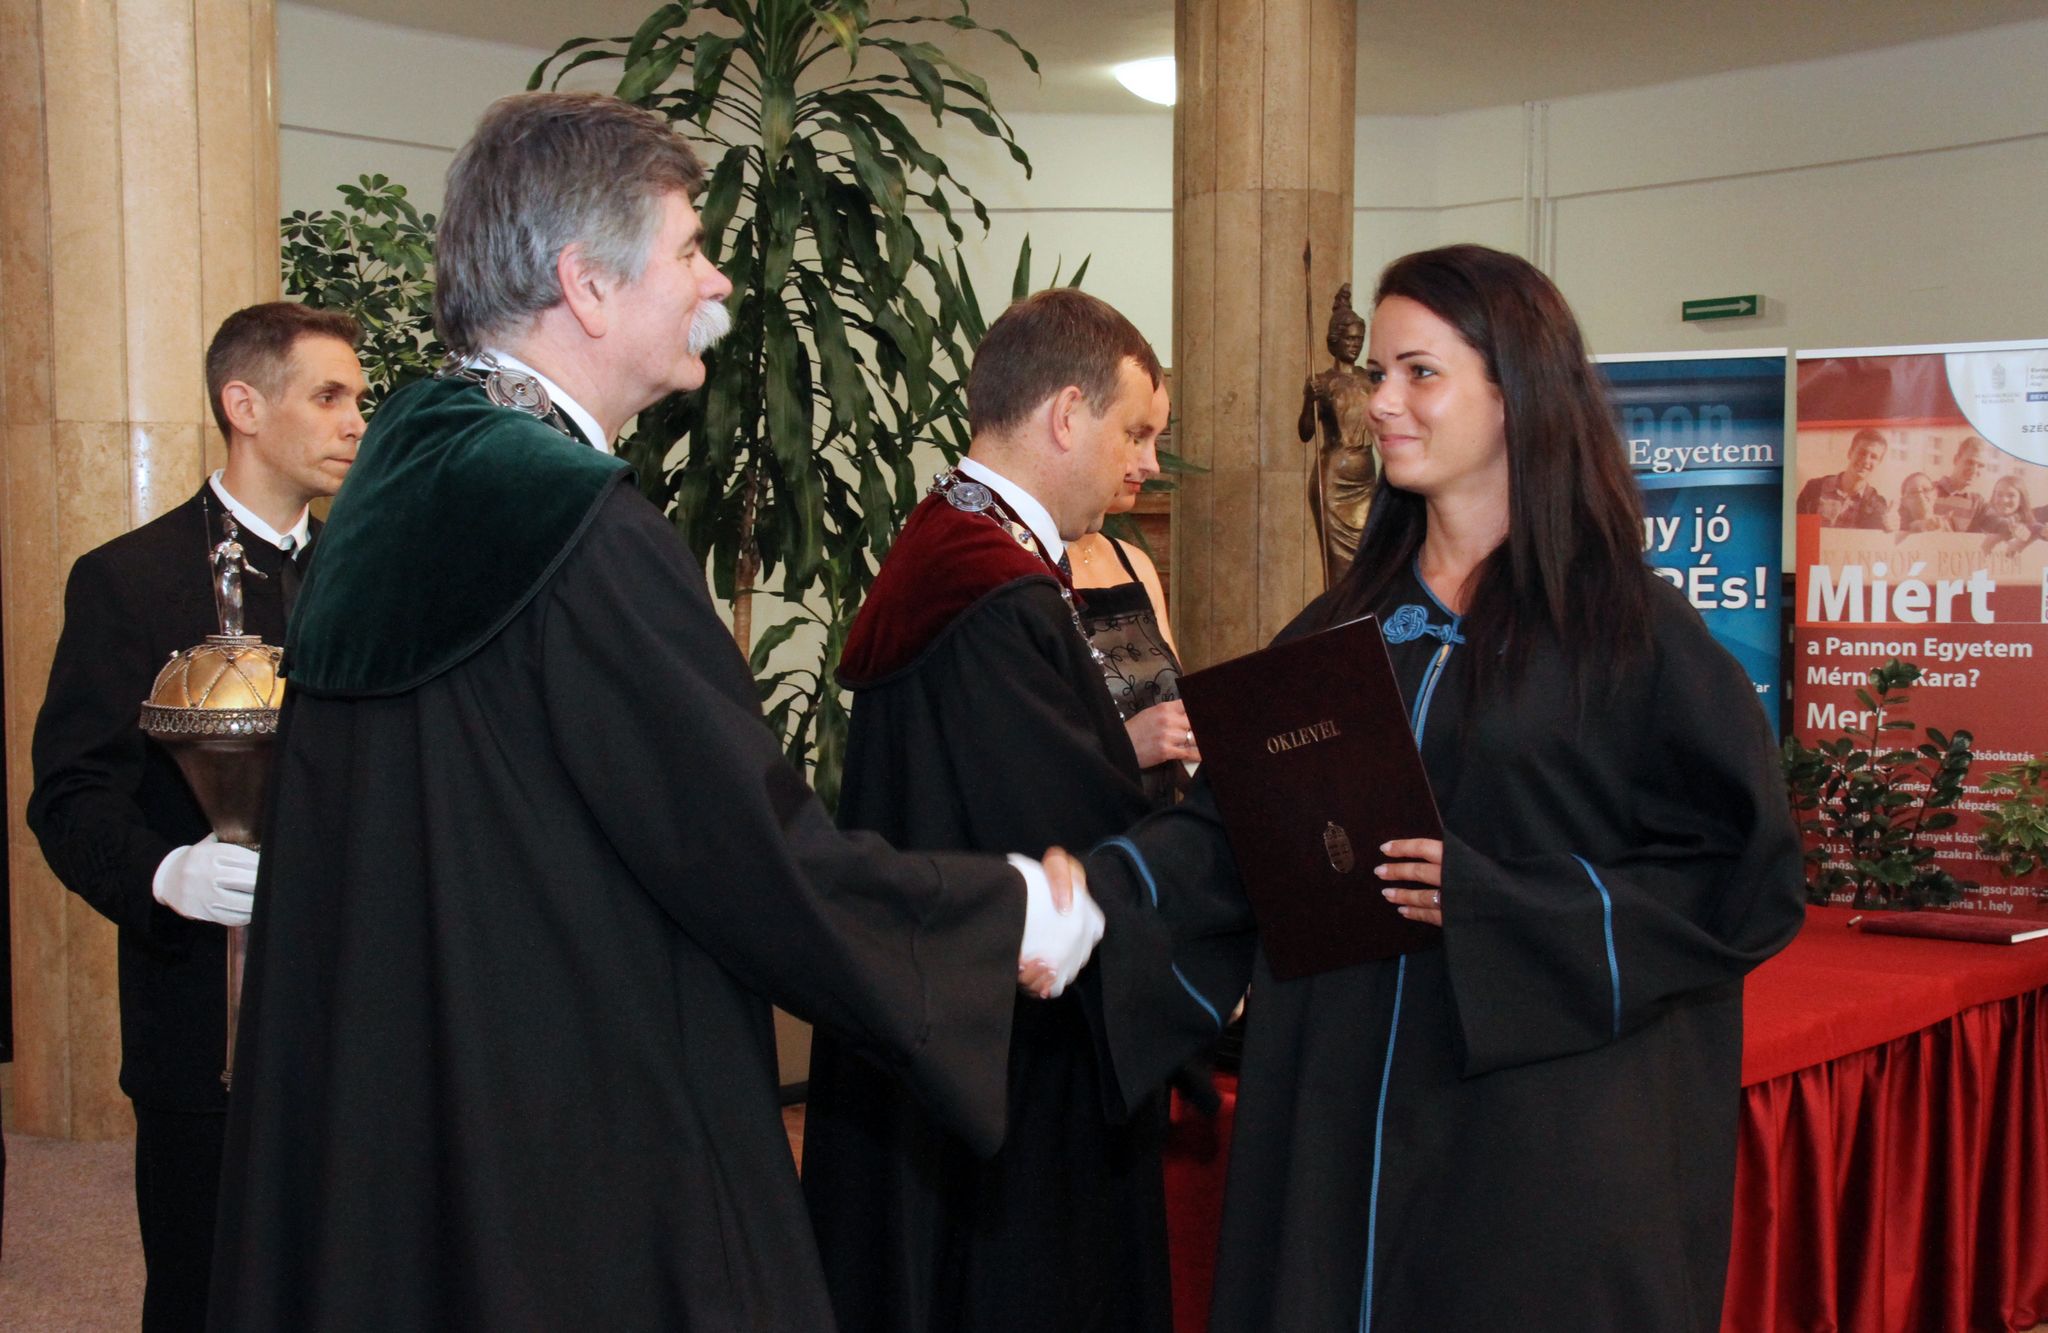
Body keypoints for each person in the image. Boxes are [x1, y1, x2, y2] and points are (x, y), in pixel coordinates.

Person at [207, 92, 1106, 1331]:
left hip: (407, 1100)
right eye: (687, 247)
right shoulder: (574, 525)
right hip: (570, 1125)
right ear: (585, 285)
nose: (715, 280)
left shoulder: (397, 475)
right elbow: (742, 845)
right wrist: (1004, 915)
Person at [1089, 244, 1806, 1331]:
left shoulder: (1628, 635)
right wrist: (1080, 895)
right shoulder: (1338, 629)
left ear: (1516, 391)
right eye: (1379, 373)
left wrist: (1502, 904)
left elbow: (1740, 879)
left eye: (1418, 373)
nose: (1380, 403)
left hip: (1532, 1147)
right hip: (1338, 1128)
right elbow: (1230, 833)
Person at [805, 290, 1252, 1333]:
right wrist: (1234, 834)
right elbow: (1073, 839)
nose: (1146, 463)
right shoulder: (993, 592)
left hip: (946, 1017)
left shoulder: (950, 542)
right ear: (1065, 415)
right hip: (1012, 1059)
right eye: (1134, 432)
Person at [27, 302, 368, 1332]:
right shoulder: (128, 579)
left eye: (358, 397)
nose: (356, 420)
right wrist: (165, 872)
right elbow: (70, 794)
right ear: (244, 404)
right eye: (329, 395)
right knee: (205, 1288)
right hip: (198, 1014)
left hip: (353, 1004)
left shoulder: (366, 578)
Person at [1070, 378, 1197, 806]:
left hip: (1153, 829)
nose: (1152, 464)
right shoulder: (1020, 567)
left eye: (1156, 440)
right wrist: (1125, 747)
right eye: (1135, 436)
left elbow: (1178, 711)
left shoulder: (1135, 563)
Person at [1300, 282, 1378, 586]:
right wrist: (1310, 400)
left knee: (1368, 564)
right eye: (1349, 339)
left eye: (1359, 339)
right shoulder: (1323, 382)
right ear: (1335, 340)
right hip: (1334, 479)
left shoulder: (1370, 380)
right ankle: (1338, 613)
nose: (1355, 345)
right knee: (1338, 568)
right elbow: (1306, 432)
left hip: (1365, 478)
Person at [1794, 427, 1892, 529]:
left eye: (1874, 457)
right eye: (1862, 453)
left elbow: (1879, 535)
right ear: (1850, 453)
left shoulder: (1877, 504)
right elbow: (1794, 527)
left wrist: (1890, 525)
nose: (1866, 461)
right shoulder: (1813, 488)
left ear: (1879, 463)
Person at [1972, 474, 2042, 553]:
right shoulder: (1981, 519)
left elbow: (2037, 530)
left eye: (2011, 495)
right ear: (1993, 496)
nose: (2004, 500)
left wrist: (2039, 532)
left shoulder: (2028, 526)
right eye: (1999, 495)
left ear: (2021, 500)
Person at [1933, 434, 1992, 529]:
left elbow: (1998, 525)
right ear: (1956, 460)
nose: (1974, 470)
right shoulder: (1928, 491)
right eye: (1970, 462)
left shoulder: (1978, 503)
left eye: (1980, 466)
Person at [1894, 470, 1952, 535]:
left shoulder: (1947, 524)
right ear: (1904, 501)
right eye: (1913, 492)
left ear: (1935, 494)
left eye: (1926, 490)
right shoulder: (1898, 528)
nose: (1921, 496)